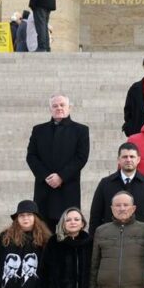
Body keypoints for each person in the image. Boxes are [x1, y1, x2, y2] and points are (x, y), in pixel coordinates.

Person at [25, 94, 91, 229]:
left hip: (68, 188)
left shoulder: (81, 130)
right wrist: (46, 176)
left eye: (62, 105)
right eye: (55, 106)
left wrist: (61, 176)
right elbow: (31, 156)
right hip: (44, 188)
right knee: (43, 230)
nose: (59, 108)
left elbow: (81, 157)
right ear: (50, 109)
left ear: (69, 108)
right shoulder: (38, 130)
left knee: (68, 229)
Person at [89, 142, 144, 228]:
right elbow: (95, 215)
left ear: (138, 159)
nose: (128, 160)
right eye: (125, 157)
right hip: (111, 235)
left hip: (140, 235)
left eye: (132, 156)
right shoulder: (105, 184)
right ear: (118, 160)